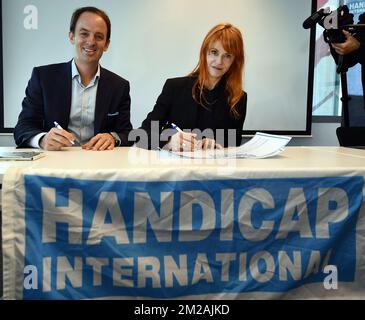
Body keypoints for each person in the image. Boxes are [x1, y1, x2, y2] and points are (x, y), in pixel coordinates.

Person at [14, 7, 132, 151]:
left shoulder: (119, 86)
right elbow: (23, 127)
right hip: (55, 164)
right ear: (71, 36)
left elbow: (126, 133)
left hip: (100, 164)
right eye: (84, 34)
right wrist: (43, 139)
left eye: (99, 36)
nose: (91, 41)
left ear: (106, 44)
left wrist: (113, 137)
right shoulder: (43, 77)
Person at [139, 23, 247, 151]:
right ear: (204, 52)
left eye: (227, 56)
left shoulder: (238, 98)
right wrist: (169, 141)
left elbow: (234, 145)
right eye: (214, 52)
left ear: (235, 61)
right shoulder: (174, 87)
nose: (219, 61)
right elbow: (143, 134)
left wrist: (218, 145)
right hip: (174, 168)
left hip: (214, 168)